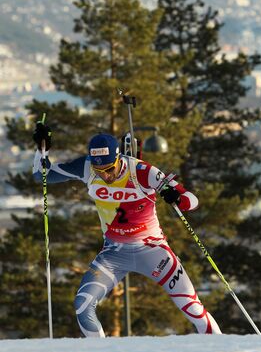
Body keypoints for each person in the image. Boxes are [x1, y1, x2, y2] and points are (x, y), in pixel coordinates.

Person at [32, 122, 222, 337]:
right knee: (83, 305)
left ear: (118, 158)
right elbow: (42, 175)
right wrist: (41, 149)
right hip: (114, 253)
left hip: (153, 251)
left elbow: (192, 201)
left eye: (109, 169)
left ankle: (220, 347)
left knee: (192, 307)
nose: (105, 175)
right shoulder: (86, 167)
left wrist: (177, 197)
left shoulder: (141, 171)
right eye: (99, 170)